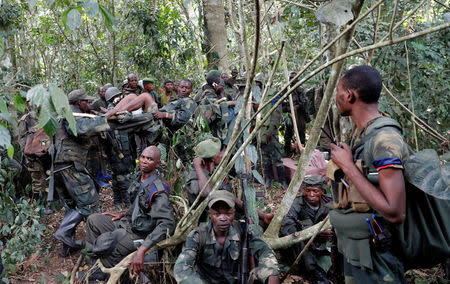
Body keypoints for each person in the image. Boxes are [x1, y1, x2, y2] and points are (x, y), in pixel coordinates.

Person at [329, 66, 407, 283]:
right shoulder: (360, 134)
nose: (336, 97)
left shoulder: (385, 139)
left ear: (349, 95)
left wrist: (348, 167)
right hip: (358, 251)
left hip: (379, 261)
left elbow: (395, 212)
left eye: (338, 91)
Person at [85, 146, 175, 280]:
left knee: (114, 247)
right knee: (93, 221)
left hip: (140, 234)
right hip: (127, 223)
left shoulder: (158, 190)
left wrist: (143, 249)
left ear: (157, 164)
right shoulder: (139, 178)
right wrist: (124, 214)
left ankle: (110, 273)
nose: (144, 161)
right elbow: (140, 204)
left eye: (149, 159)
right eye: (143, 157)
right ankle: (96, 264)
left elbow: (167, 223)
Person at [174, 190, 280, 284]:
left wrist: (272, 275)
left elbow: (264, 251)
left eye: (228, 213)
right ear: (210, 214)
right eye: (217, 214)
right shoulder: (198, 236)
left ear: (234, 213)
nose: (223, 218)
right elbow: (182, 268)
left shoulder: (242, 230)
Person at [53, 89, 110, 257]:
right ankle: (96, 249)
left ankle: (67, 247)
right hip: (70, 166)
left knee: (72, 206)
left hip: (60, 168)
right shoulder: (73, 116)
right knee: (90, 203)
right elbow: (79, 130)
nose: (90, 104)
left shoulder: (61, 116)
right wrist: (104, 119)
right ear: (79, 103)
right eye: (87, 101)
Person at [185, 137, 274, 224]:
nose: (223, 155)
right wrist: (197, 166)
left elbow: (232, 198)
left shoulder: (217, 172)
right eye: (220, 152)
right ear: (212, 158)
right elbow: (206, 193)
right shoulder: (194, 176)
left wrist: (261, 215)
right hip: (210, 224)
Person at [281, 175, 331, 284]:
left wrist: (330, 232)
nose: (311, 195)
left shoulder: (328, 203)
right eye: (308, 191)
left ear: (322, 191)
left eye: (315, 191)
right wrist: (304, 234)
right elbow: (288, 225)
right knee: (301, 245)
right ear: (304, 190)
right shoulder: (297, 203)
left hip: (323, 243)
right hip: (302, 243)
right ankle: (314, 273)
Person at [104, 87, 135, 206]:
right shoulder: (113, 110)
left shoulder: (117, 109)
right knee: (123, 174)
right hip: (118, 149)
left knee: (117, 175)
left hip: (120, 147)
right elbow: (124, 119)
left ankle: (117, 201)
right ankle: (127, 202)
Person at [281, 72, 309, 155]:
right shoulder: (285, 90)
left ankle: (301, 152)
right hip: (290, 115)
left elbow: (304, 102)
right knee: (288, 134)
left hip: (300, 115)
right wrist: (289, 108)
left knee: (301, 134)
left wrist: (297, 107)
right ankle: (287, 152)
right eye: (291, 79)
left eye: (294, 79)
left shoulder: (300, 90)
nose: (293, 81)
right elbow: (281, 104)